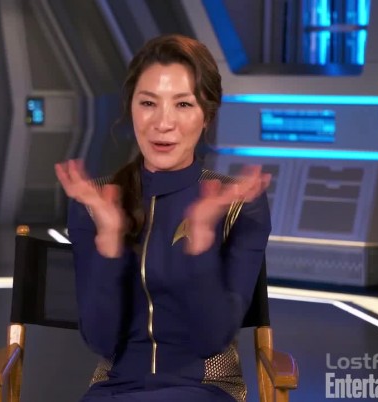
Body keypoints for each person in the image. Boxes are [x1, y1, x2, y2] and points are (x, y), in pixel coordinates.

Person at [54, 34, 272, 402]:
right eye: (148, 103)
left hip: (206, 389)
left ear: (207, 115)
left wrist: (200, 240)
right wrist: (109, 242)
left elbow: (210, 340)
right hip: (115, 389)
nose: (163, 122)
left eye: (183, 104)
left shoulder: (238, 205)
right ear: (131, 108)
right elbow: (101, 340)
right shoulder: (95, 203)